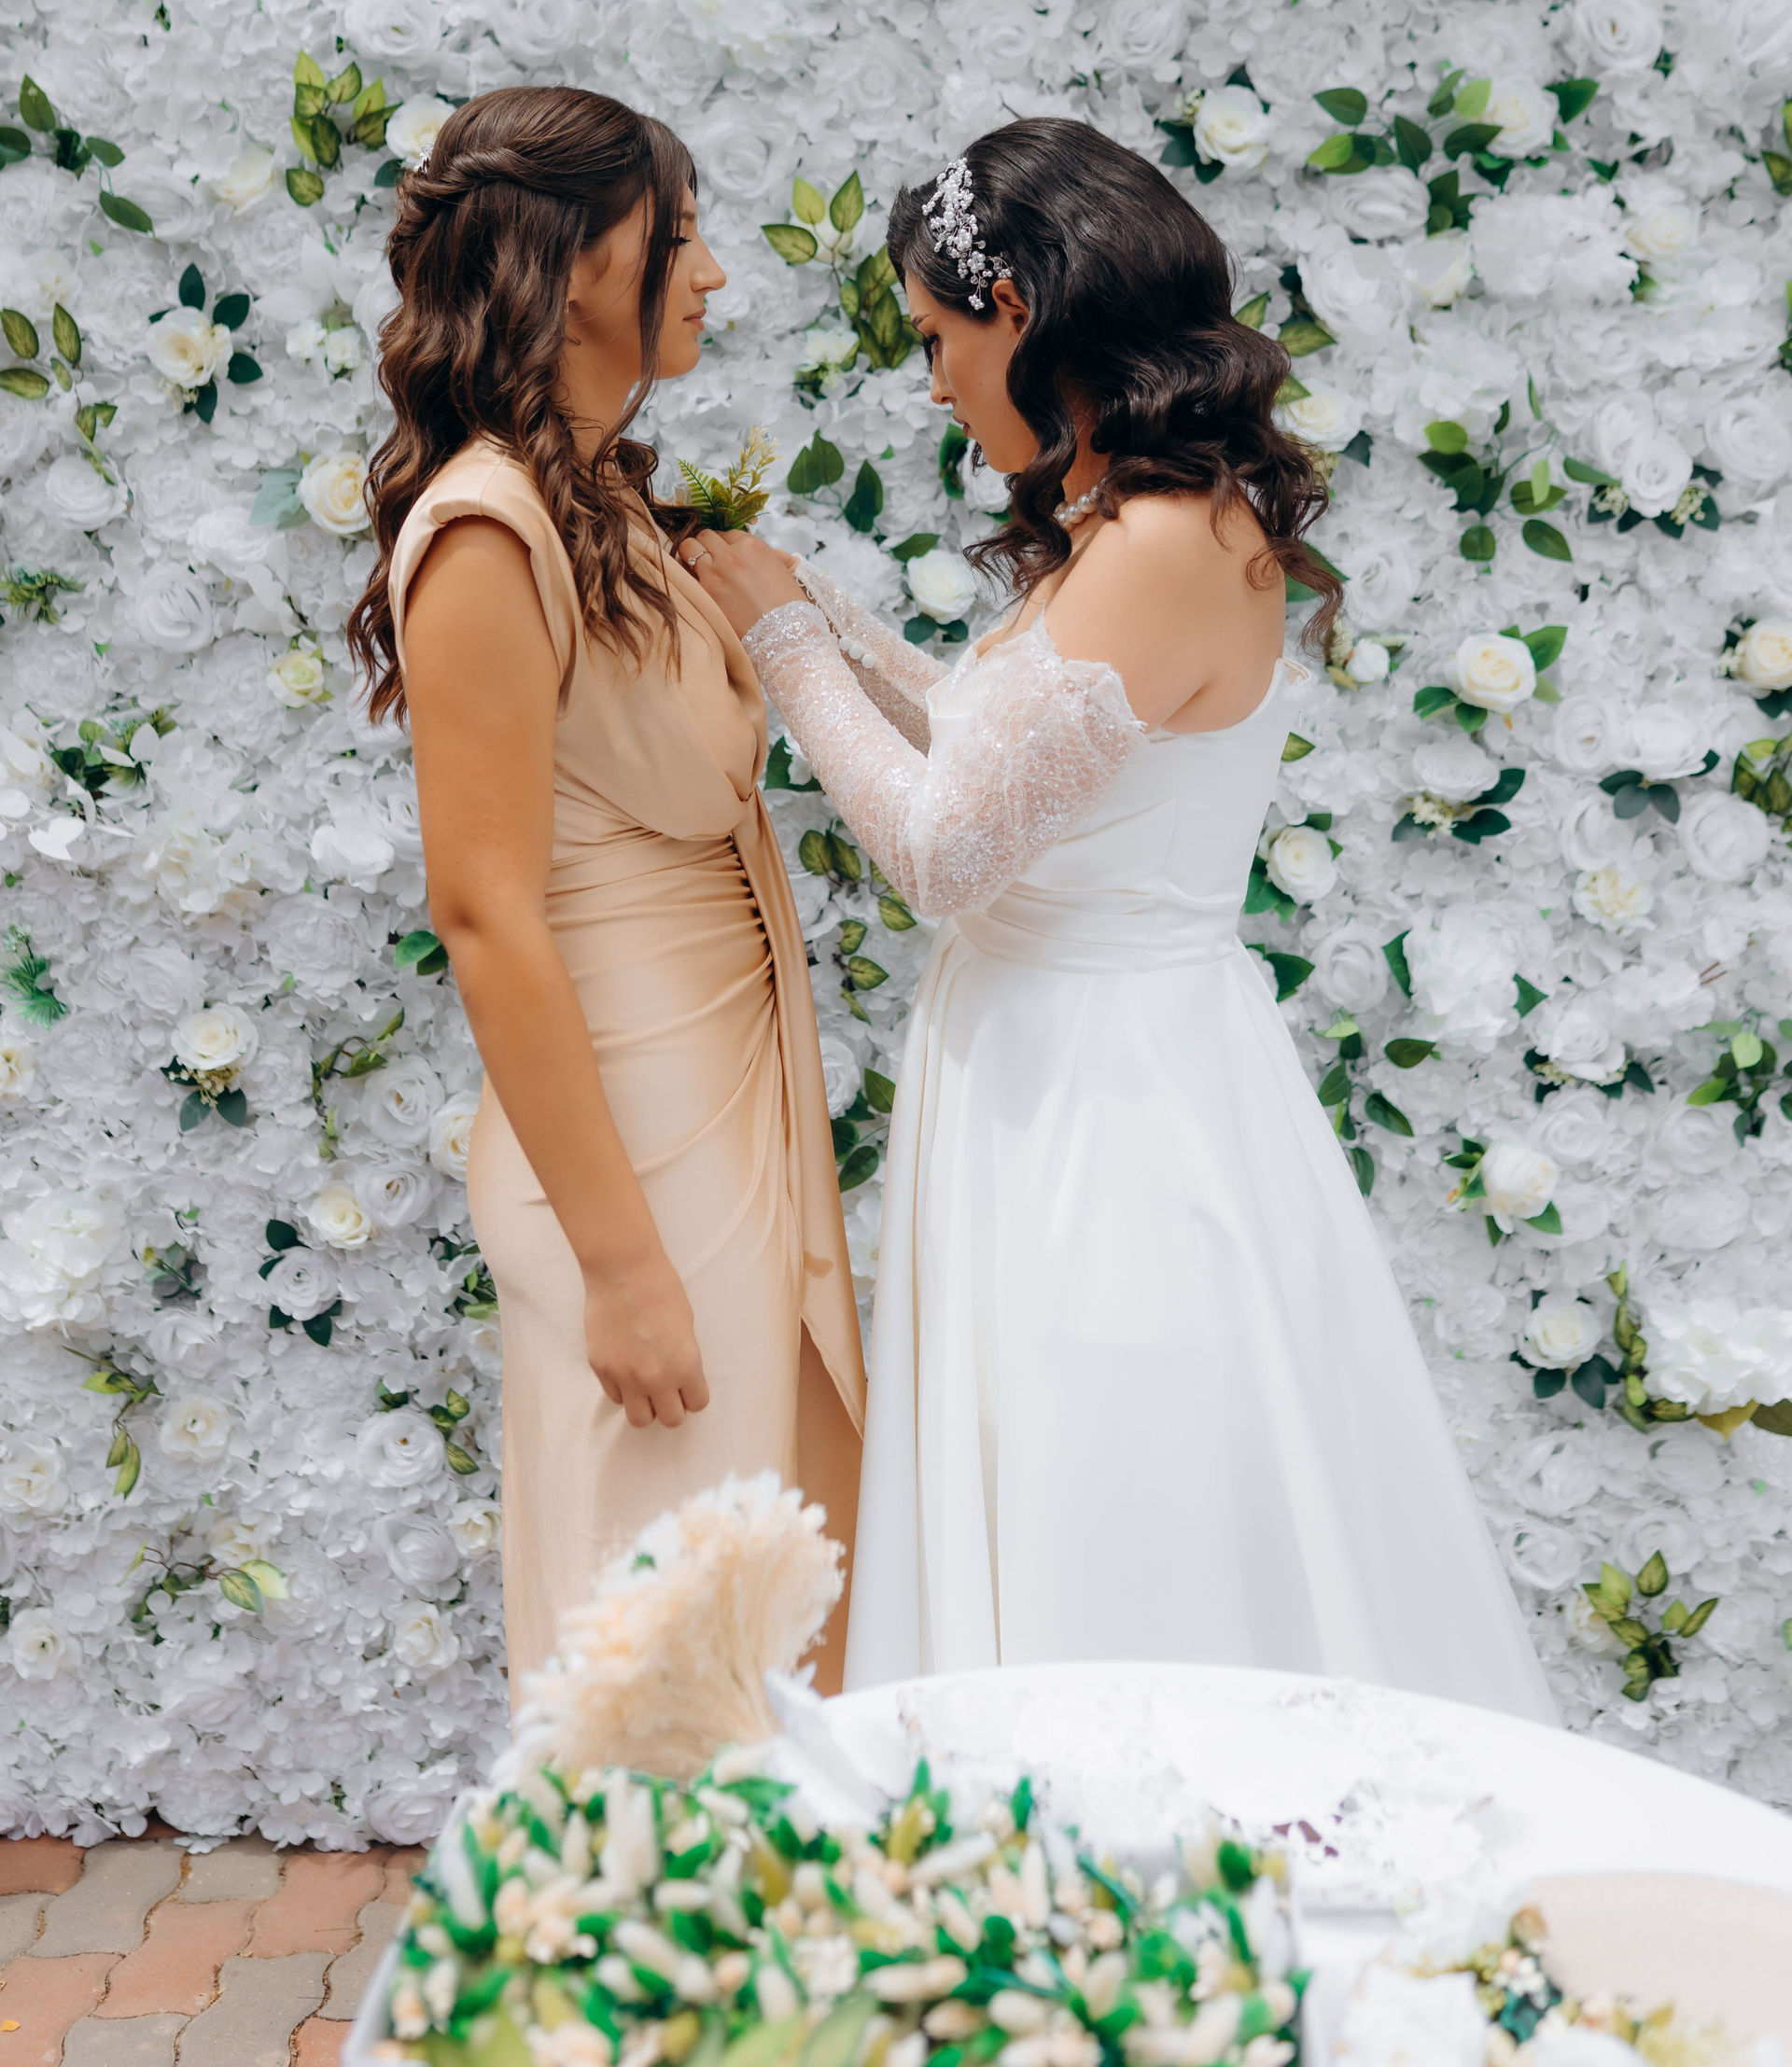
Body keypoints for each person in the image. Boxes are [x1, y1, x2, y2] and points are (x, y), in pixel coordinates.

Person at [683, 116, 1557, 1722]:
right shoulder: (1138, 518)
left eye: (936, 337)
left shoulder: (1161, 542)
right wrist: (817, 611)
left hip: (1109, 1111)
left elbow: (945, 849)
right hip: (1051, 1067)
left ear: (1016, 305)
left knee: (1110, 1489)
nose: (933, 382)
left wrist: (787, 642)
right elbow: (1000, 751)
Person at [347, 86, 864, 1697]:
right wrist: (623, 1265)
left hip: (718, 1091)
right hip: (636, 1144)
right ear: (571, 263)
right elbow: (485, 912)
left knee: (756, 1595)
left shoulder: (605, 507)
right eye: (679, 234)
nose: (711, 272)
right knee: (665, 1609)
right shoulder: (488, 535)